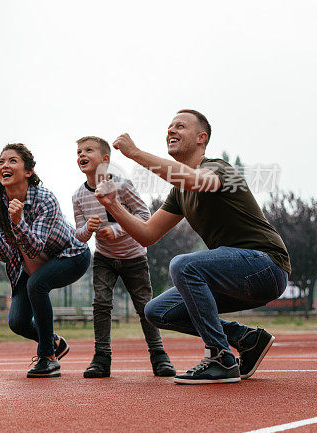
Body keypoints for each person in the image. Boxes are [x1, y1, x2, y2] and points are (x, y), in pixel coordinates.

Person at [94, 109, 289, 384]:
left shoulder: (219, 168)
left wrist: (135, 153)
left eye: (180, 126)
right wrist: (113, 205)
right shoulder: (179, 192)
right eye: (169, 126)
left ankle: (220, 357)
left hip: (266, 265)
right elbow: (148, 234)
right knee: (156, 311)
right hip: (235, 278)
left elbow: (196, 181)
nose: (171, 130)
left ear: (201, 138)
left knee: (183, 265)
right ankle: (246, 338)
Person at [0, 143, 91, 378]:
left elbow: (35, 247)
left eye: (12, 160)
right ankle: (55, 342)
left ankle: (48, 357)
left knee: (37, 283)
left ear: (28, 172)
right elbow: (7, 255)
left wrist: (18, 222)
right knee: (17, 322)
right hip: (29, 266)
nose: (5, 165)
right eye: (1, 161)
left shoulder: (45, 199)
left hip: (71, 256)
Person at [72, 136, 175, 378]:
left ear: (105, 159)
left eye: (88, 150)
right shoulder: (78, 196)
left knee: (145, 307)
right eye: (78, 152)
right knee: (101, 305)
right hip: (104, 258)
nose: (81, 155)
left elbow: (144, 214)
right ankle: (101, 358)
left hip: (134, 256)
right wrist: (88, 228)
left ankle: (159, 355)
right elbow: (79, 235)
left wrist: (116, 229)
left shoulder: (123, 185)